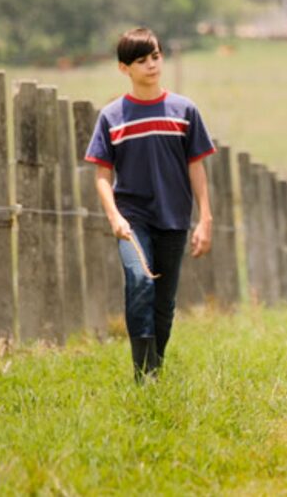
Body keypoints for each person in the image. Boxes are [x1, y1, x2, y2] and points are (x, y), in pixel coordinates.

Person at [85, 27, 216, 382]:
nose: (151, 65)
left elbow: (196, 167)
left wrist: (205, 219)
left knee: (164, 302)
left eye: (155, 56)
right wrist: (115, 217)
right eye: (141, 60)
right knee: (140, 281)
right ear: (124, 68)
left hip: (174, 218)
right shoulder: (112, 117)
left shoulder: (184, 111)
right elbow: (101, 174)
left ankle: (154, 367)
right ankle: (143, 376)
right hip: (133, 219)